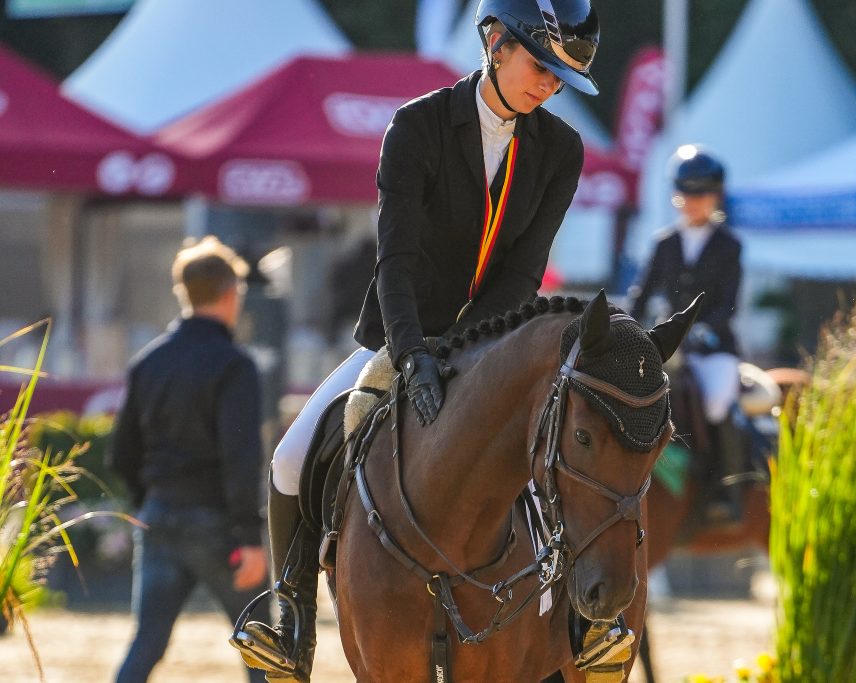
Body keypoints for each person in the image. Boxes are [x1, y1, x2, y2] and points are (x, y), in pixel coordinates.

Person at [230, 1, 601, 680]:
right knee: (289, 458)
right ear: (495, 41)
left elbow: (522, 268)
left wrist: (472, 351)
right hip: (399, 335)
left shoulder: (561, 151)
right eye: (540, 66)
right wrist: (413, 352)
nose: (549, 85)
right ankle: (289, 624)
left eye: (561, 78)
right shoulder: (417, 127)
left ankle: (587, 623)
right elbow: (394, 258)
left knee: (569, 449)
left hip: (498, 343)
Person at [108, 236, 270, 683]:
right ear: (231, 292)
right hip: (219, 524)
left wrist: (150, 501)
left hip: (160, 517)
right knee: (263, 646)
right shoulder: (235, 366)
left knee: (147, 644)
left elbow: (121, 453)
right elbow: (241, 459)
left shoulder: (148, 362)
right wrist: (249, 538)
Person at [627, 144, 746, 522]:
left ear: (715, 197)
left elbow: (728, 304)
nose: (693, 202)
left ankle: (726, 489)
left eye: (702, 195)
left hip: (713, 348)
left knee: (715, 402)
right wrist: (626, 328)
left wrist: (701, 333)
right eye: (687, 195)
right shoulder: (665, 243)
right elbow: (641, 296)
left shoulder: (730, 245)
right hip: (669, 346)